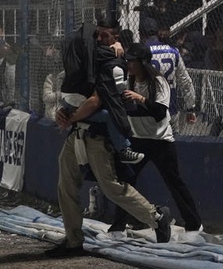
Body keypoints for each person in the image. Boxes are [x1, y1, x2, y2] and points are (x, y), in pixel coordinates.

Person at [45, 24, 172, 258]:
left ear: (116, 39)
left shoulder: (113, 66)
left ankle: (157, 216)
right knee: (66, 185)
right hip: (77, 133)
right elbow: (75, 94)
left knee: (111, 187)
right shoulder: (88, 60)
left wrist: (71, 115)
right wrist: (63, 112)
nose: (100, 38)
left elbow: (94, 102)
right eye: (98, 35)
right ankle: (73, 241)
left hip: (98, 136)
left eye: (106, 35)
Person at [108, 43, 203, 234]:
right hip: (138, 139)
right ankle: (119, 224)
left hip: (160, 140)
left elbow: (160, 112)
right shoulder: (129, 81)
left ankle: (194, 223)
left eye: (132, 62)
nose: (129, 66)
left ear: (143, 63)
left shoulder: (158, 82)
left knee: (174, 181)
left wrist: (139, 99)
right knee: (126, 180)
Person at [59, 20, 144, 164]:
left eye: (103, 35)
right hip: (83, 131)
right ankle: (123, 149)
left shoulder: (105, 59)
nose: (98, 39)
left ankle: (123, 150)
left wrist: (69, 118)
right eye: (97, 35)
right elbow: (94, 101)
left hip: (92, 134)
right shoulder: (88, 52)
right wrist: (69, 117)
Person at [139, 17, 197, 134]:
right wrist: (190, 108)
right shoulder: (173, 51)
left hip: (149, 105)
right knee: (172, 142)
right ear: (157, 32)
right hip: (170, 105)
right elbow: (185, 81)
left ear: (141, 34)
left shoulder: (142, 51)